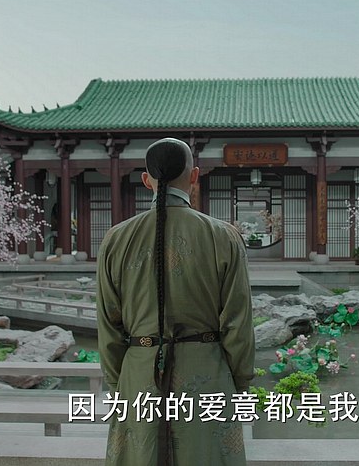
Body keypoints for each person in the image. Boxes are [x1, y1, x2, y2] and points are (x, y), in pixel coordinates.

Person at [97, 138, 255, 466]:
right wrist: (239, 383)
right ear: (194, 176)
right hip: (206, 375)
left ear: (146, 180)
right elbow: (238, 324)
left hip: (139, 375)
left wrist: (119, 384)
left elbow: (108, 327)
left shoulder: (116, 239)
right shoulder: (223, 237)